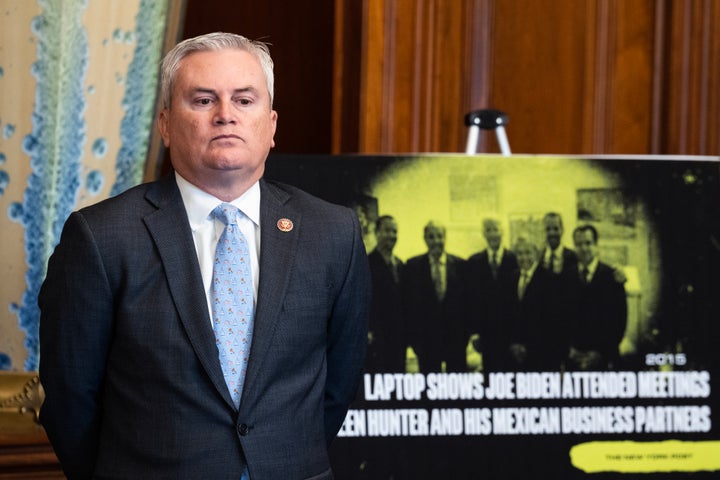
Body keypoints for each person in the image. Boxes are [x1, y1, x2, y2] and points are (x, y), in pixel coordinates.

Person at [38, 32, 370, 480]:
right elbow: (70, 398)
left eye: (245, 100)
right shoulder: (101, 238)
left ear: (271, 125)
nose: (226, 116)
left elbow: (337, 387)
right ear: (166, 125)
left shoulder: (333, 233)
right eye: (202, 100)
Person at [402, 220, 468, 373]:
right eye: (431, 237)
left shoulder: (461, 265)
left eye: (440, 236)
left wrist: (465, 337)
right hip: (426, 342)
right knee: (429, 390)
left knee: (458, 389)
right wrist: (414, 341)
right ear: (425, 239)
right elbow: (408, 306)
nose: (436, 241)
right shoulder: (412, 266)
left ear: (445, 237)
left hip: (456, 340)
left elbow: (468, 304)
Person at [567, 224, 627, 370]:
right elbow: (562, 316)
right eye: (579, 244)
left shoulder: (612, 276)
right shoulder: (567, 276)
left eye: (588, 243)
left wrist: (601, 353)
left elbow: (619, 321)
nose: (584, 248)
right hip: (573, 357)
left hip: (603, 360)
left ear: (596, 245)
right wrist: (569, 350)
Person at [504, 237, 568, 371]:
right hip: (514, 356)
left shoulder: (550, 280)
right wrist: (513, 344)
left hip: (541, 356)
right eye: (520, 253)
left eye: (528, 252)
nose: (523, 257)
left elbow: (552, 322)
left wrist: (528, 347)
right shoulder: (511, 278)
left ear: (536, 254)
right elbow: (507, 316)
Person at [466, 217, 518, 372]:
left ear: (502, 231)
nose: (493, 234)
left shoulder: (514, 259)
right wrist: (474, 332)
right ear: (483, 234)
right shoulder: (474, 262)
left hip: (510, 334)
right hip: (486, 334)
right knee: (490, 378)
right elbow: (470, 301)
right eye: (488, 230)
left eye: (495, 229)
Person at [366, 215, 406, 373]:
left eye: (395, 231)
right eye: (387, 231)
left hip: (398, 338)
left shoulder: (401, 265)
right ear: (376, 233)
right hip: (376, 339)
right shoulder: (366, 263)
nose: (392, 236)